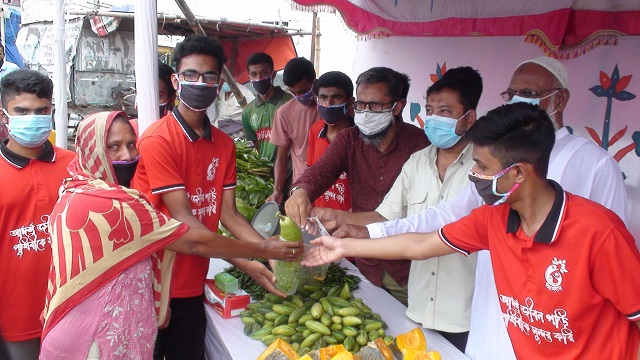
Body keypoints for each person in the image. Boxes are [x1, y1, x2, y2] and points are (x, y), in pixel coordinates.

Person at [304, 102, 640, 359]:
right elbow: (421, 244)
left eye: (481, 166)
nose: (473, 174)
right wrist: (344, 248)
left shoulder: (599, 233)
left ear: (518, 173)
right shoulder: (494, 219)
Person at [39, 111, 303, 359]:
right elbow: (192, 241)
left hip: (89, 327)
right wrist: (264, 249)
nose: (127, 154)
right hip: (93, 338)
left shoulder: (75, 188)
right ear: (90, 150)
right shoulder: (113, 206)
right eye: (113, 146)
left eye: (132, 145)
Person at [131, 35, 286, 360]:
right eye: (190, 75)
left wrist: (268, 257)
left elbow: (228, 215)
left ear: (219, 85)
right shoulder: (158, 140)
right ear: (176, 80)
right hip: (153, 283)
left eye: (209, 77)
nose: (199, 83)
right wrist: (257, 251)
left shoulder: (223, 144)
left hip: (192, 280)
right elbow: (185, 226)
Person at [318, 66, 482, 351]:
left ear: (469, 118)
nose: (433, 119)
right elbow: (387, 216)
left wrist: (352, 244)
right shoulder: (418, 161)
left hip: (465, 312)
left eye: (444, 112)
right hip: (418, 304)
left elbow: (436, 227)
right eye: (429, 110)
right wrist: (346, 224)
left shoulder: (484, 168)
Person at [286, 66, 430, 303]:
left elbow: (414, 216)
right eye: (361, 105)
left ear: (398, 106)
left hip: (407, 268)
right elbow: (320, 172)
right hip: (363, 261)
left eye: (374, 105)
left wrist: (340, 218)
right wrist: (300, 192)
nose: (365, 112)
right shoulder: (350, 139)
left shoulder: (419, 146)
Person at [0, 69, 75, 360]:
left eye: (42, 110)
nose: (33, 117)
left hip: (70, 309)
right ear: (4, 115)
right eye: (22, 111)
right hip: (15, 319)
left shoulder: (74, 165)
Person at [268, 57, 320, 205]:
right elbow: (282, 158)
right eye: (293, 93)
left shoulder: (329, 108)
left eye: (303, 91)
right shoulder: (284, 113)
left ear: (314, 82)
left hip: (334, 188)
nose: (298, 97)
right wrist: (277, 190)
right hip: (302, 189)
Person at [307, 71, 355, 211]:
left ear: (350, 102)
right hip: (319, 219)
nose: (328, 104)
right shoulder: (315, 131)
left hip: (350, 223)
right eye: (323, 98)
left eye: (336, 98)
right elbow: (311, 174)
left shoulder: (359, 138)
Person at [241, 52, 292, 163]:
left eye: (264, 73)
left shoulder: (290, 103)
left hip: (291, 173)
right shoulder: (247, 112)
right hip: (266, 173)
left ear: (273, 75)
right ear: (249, 77)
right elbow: (257, 145)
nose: (259, 78)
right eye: (254, 74)